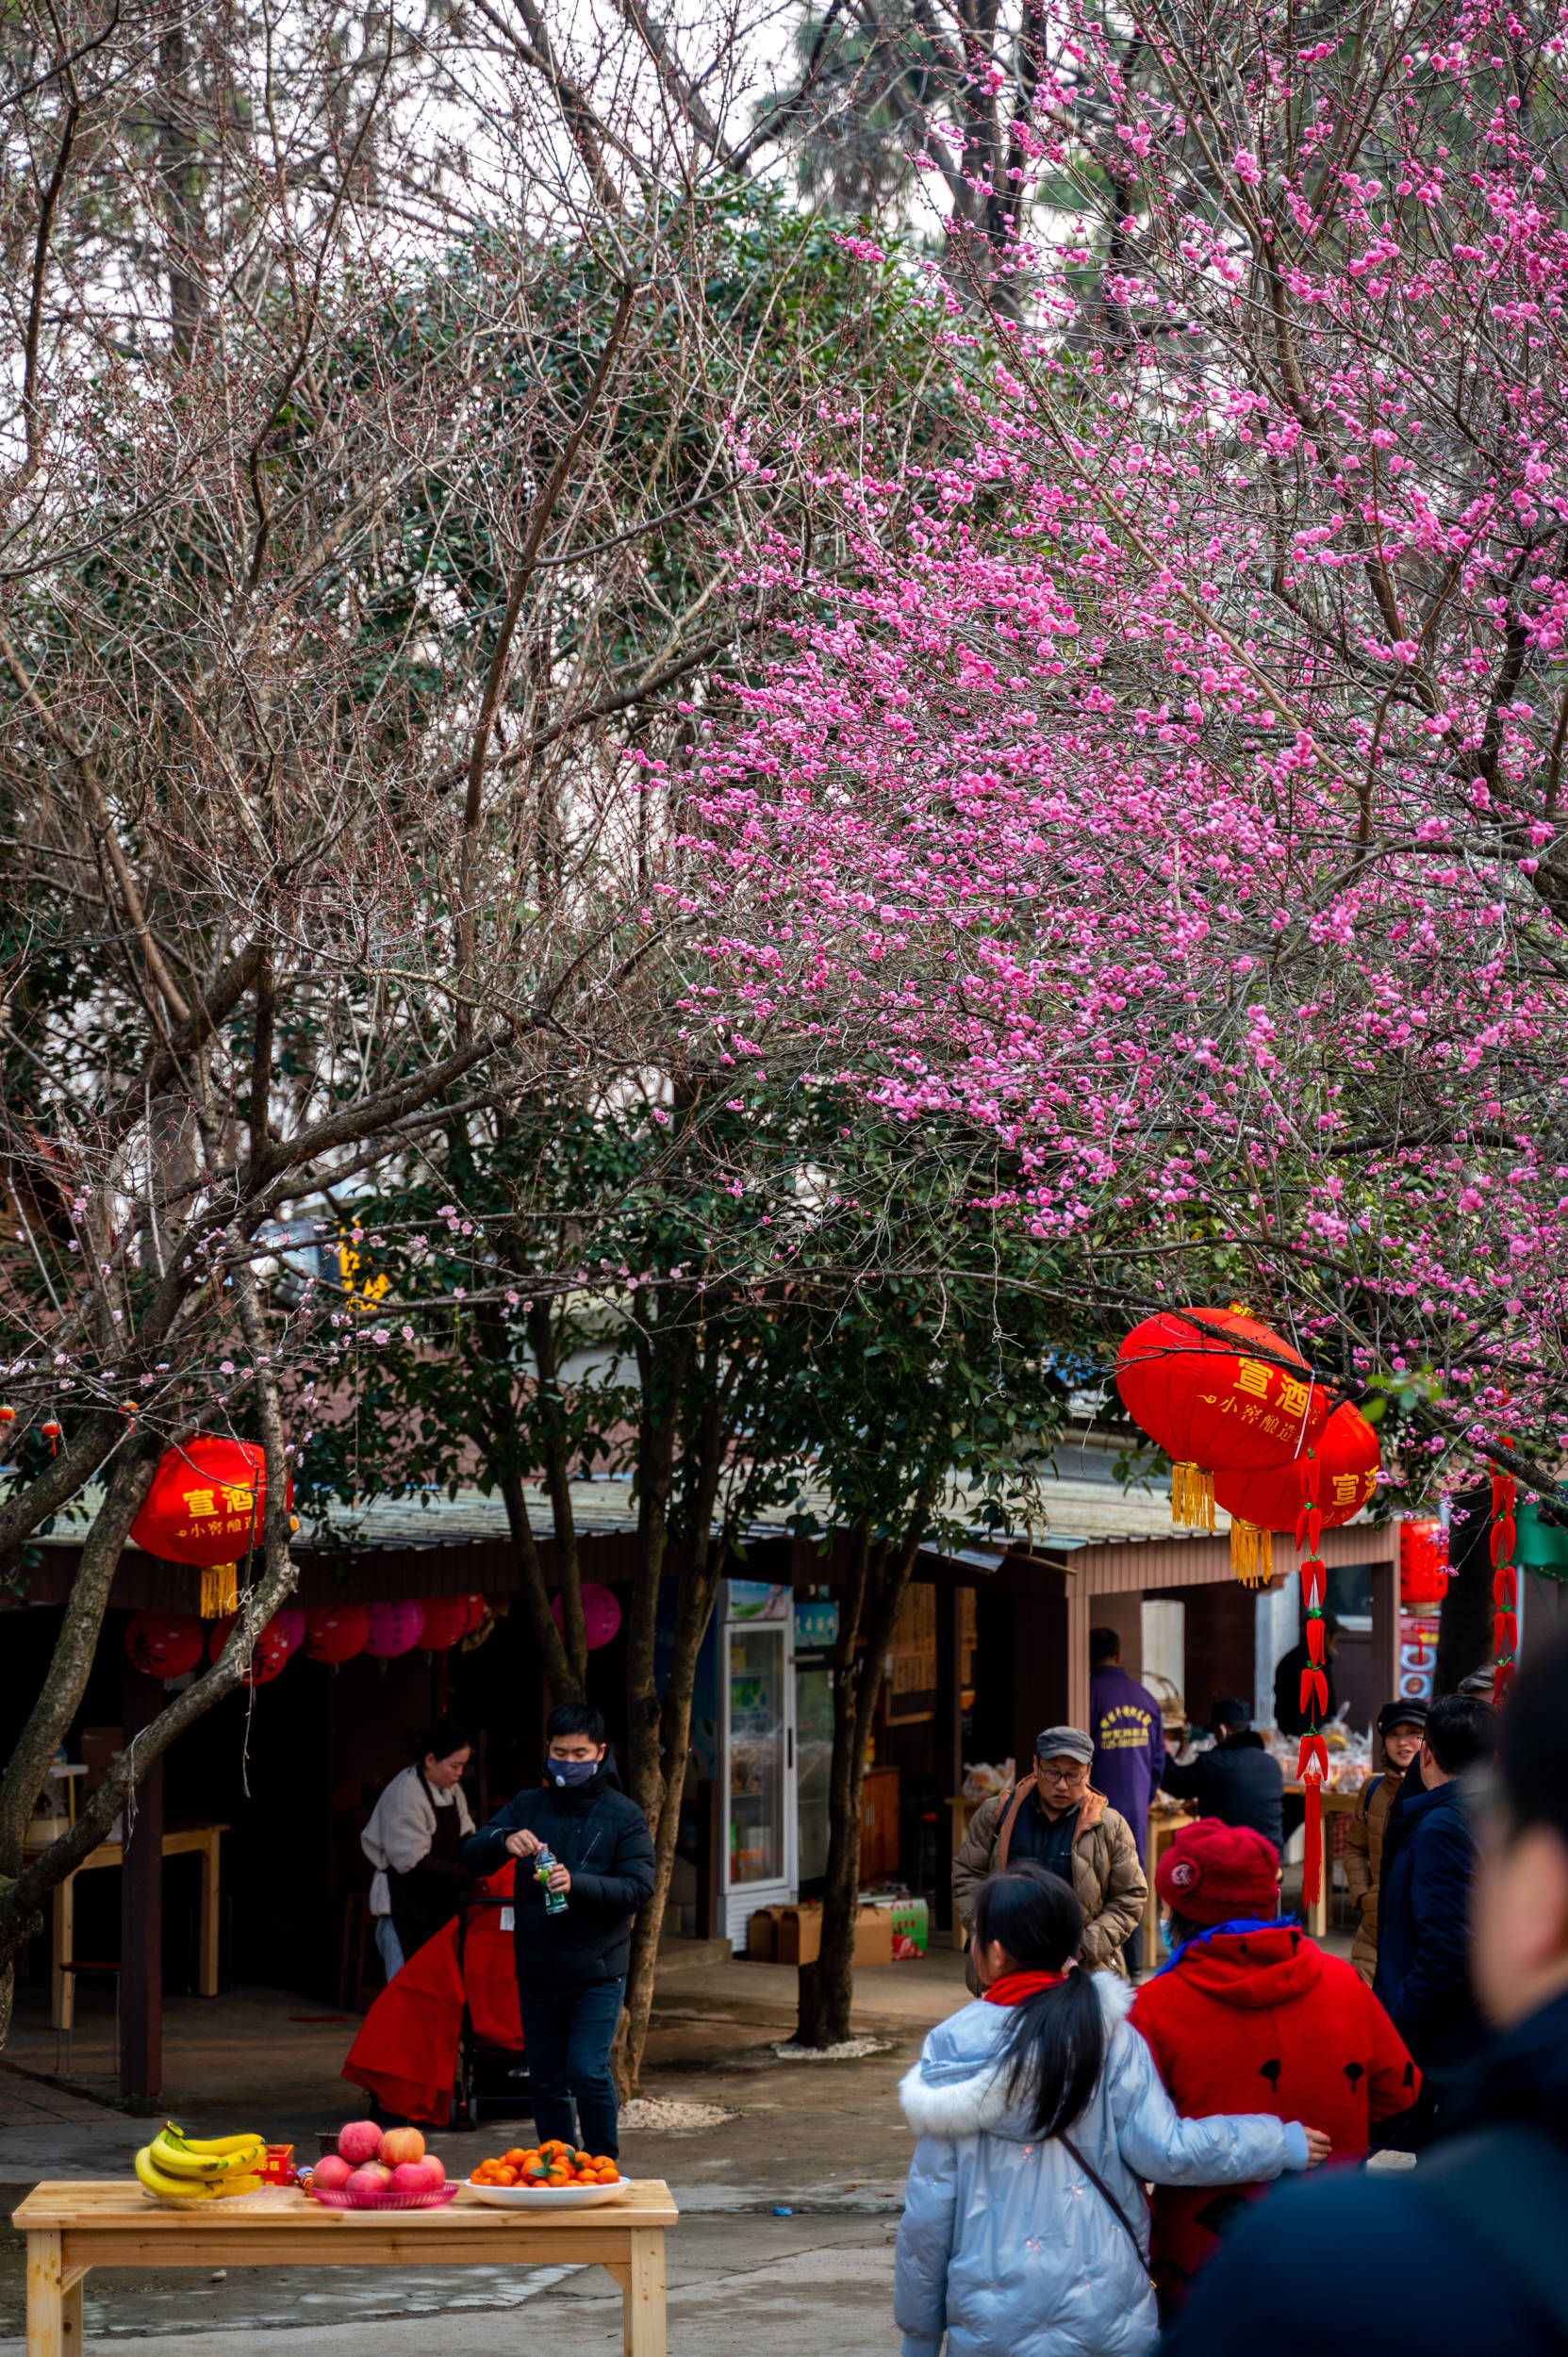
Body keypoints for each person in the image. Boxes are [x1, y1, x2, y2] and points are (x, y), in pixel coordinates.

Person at [1159, 1621, 1568, 2357]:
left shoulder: (1319, 2261)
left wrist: (1397, 2029)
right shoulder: (1338, 1974)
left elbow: (1436, 1967)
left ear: (1539, 1887)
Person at [895, 1864, 1329, 2357]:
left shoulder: (953, 2052)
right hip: (1108, 2315)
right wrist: (1277, 2142)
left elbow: (927, 2219)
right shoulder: (1109, 2035)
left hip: (993, 2325)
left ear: (994, 1953)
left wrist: (919, 2334)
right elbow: (1167, 2151)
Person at [1131, 1820, 1418, 2313]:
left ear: (1179, 1912)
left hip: (1203, 2265)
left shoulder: (1151, 2006)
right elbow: (1400, 2092)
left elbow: (1134, 2143)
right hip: (1335, 2239)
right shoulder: (1345, 1983)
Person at [464, 1701, 655, 2160]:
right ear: (547, 1750)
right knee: (545, 2079)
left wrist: (579, 1884)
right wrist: (502, 1841)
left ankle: (602, 2164)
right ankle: (559, 2165)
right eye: (560, 1752)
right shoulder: (528, 1804)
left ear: (600, 1752)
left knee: (588, 2071)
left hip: (597, 1969)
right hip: (537, 1968)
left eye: (579, 1753)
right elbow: (472, 1851)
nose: (568, 1763)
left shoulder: (623, 1814)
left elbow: (639, 1887)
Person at [1372, 1689, 1498, 2134]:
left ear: (1426, 1753)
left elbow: (1446, 1952)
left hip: (1438, 2052)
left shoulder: (1444, 1826)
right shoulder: (1494, 1811)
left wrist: (1394, 2027)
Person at [952, 1726, 1147, 1986]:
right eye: (1052, 1772)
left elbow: (1130, 1896)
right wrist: (989, 1927)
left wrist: (1083, 1946)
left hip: (1081, 1972)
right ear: (1035, 1765)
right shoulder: (997, 1815)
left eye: (1073, 1775)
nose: (1062, 1785)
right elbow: (967, 1875)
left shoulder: (1110, 1827)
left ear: (1088, 1771)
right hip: (1007, 1967)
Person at [360, 1715, 475, 1982]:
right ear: (431, 1759)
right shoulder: (406, 1791)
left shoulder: (451, 1790)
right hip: (404, 1906)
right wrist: (465, 1872)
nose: (459, 1774)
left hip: (437, 1905)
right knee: (405, 1989)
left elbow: (467, 1835)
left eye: (463, 1766)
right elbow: (412, 1862)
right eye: (455, 1766)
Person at [1345, 1700, 1428, 1984]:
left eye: (1413, 1733)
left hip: (1422, 1928)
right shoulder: (1372, 1788)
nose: (1402, 1743)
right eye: (1393, 1734)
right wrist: (1362, 1893)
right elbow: (1355, 1847)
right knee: (1364, 2006)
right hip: (1374, 1927)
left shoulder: (1440, 1790)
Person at [1160, 1700, 1283, 1850]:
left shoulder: (1213, 1763)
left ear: (1222, 1729)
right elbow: (1247, 1803)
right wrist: (1209, 1803)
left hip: (1230, 1861)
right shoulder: (1272, 1764)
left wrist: (1164, 1751)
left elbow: (1173, 1782)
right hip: (1271, 1860)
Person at [1089, 1627, 1167, 1865]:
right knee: (1131, 1879)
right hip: (1135, 1811)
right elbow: (1158, 1760)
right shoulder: (1145, 1698)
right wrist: (1145, 1796)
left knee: (1095, 1880)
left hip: (1094, 1811)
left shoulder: (1086, 1696)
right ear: (1119, 1654)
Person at [1272, 1613, 1341, 1738]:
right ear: (1325, 1635)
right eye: (1335, 1634)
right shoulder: (1318, 1664)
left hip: (1287, 1736)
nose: (1336, 1639)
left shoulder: (1287, 1660)